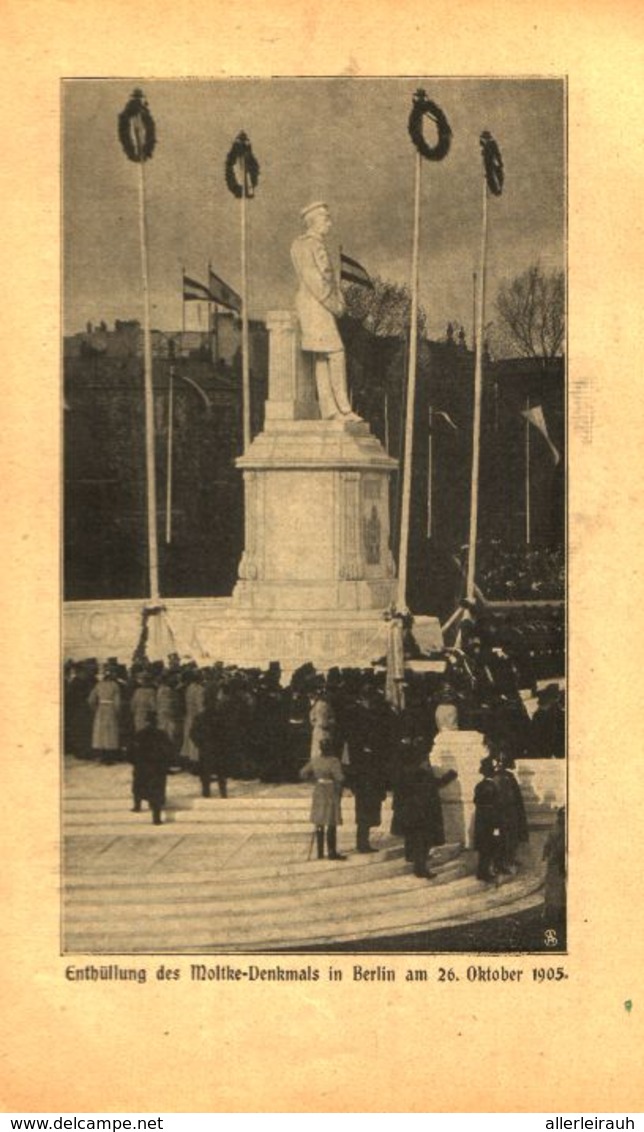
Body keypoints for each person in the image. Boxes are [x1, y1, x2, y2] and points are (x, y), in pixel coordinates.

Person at [290, 201, 361, 422]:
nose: (329, 224)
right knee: (336, 352)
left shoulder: (317, 244)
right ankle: (343, 407)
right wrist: (335, 305)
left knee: (322, 356)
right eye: (325, 219)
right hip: (314, 307)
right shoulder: (303, 245)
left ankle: (330, 410)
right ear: (313, 222)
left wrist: (339, 300)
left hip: (322, 306)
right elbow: (315, 282)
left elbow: (330, 280)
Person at [396, 740, 458, 880]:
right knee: (422, 842)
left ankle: (413, 860)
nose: (428, 763)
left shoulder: (408, 771)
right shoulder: (421, 773)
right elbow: (434, 785)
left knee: (415, 839)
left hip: (412, 812)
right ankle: (421, 870)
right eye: (426, 760)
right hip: (422, 813)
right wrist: (450, 776)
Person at [344, 683, 390, 853]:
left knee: (368, 808)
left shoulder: (367, 714)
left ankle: (364, 841)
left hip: (369, 771)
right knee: (364, 809)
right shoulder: (358, 716)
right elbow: (354, 741)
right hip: (364, 772)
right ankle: (362, 843)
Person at [299, 736, 346, 860]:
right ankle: (331, 852)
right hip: (330, 791)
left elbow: (303, 773)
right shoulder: (334, 761)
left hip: (319, 790)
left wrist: (314, 780)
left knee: (319, 821)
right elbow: (340, 777)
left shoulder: (315, 760)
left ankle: (320, 853)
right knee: (331, 821)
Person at [128, 709, 173, 825]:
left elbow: (131, 751)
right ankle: (156, 818)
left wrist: (135, 762)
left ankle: (137, 806)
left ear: (146, 721)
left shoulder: (140, 734)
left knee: (138, 788)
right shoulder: (162, 734)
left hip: (142, 767)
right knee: (156, 793)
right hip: (157, 767)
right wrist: (165, 764)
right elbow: (168, 750)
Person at [473, 753, 503, 882]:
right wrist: (497, 827)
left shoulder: (479, 785)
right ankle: (484, 873)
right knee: (489, 848)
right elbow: (495, 808)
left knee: (483, 849)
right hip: (490, 823)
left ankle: (482, 871)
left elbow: (476, 801)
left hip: (481, 821)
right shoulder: (492, 787)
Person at [88, 661, 122, 764]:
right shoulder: (115, 685)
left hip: (101, 709)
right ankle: (109, 756)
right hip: (110, 708)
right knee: (110, 731)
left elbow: (91, 700)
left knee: (100, 731)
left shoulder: (98, 685)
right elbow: (117, 702)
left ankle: (101, 754)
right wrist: (117, 712)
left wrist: (95, 708)